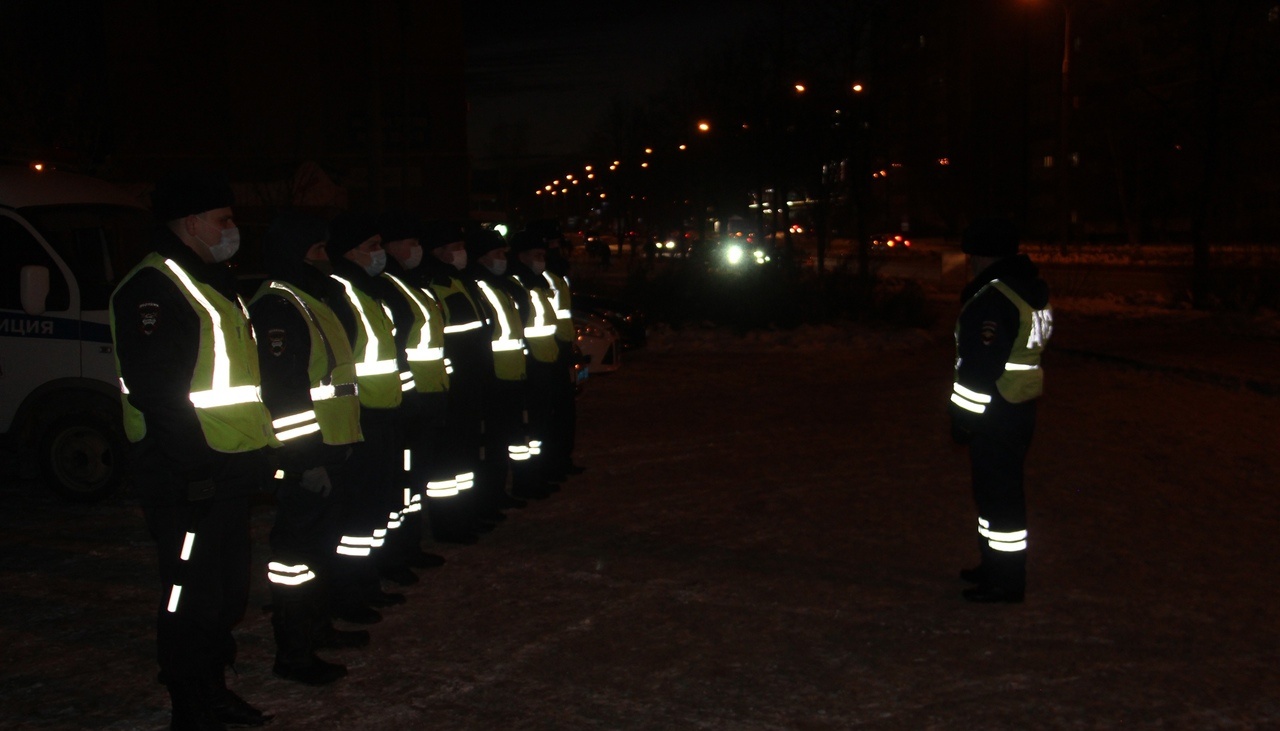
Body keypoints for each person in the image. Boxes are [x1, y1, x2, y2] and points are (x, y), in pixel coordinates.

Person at [110, 169, 275, 729]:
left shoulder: (206, 278)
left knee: (224, 595)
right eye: (223, 219)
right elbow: (159, 392)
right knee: (189, 596)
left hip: (223, 469)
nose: (232, 229)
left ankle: (211, 688)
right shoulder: (153, 286)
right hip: (185, 475)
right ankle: (191, 703)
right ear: (191, 222)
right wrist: (194, 470)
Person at [249, 211, 368, 686]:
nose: (326, 257)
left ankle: (316, 629)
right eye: (318, 249)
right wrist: (306, 462)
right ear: (295, 252)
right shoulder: (278, 305)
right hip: (307, 457)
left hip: (331, 448)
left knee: (318, 551)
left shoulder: (308, 297)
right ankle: (293, 652)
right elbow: (284, 395)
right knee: (295, 559)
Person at [949, 218, 1053, 604]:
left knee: (999, 497)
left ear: (981, 255)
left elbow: (978, 369)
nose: (969, 262)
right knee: (995, 493)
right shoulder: (1027, 289)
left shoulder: (994, 299)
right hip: (1019, 405)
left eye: (972, 254)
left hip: (997, 411)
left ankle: (1005, 580)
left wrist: (963, 419)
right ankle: (994, 566)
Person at [324, 212, 407, 621]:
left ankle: (366, 582)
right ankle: (347, 591)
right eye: (371, 246)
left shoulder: (369, 291)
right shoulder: (340, 293)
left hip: (382, 413)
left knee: (375, 509)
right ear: (348, 251)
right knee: (356, 513)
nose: (380, 253)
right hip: (359, 419)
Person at [375, 210, 451, 573]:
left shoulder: (410, 281)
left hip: (423, 399)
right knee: (401, 486)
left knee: (414, 481)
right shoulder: (387, 285)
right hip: (405, 403)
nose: (417, 248)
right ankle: (396, 556)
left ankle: (409, 548)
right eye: (411, 242)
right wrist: (411, 399)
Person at [410, 220, 494, 543]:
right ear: (438, 252)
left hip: (470, 385)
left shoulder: (459, 281)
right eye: (454, 248)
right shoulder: (432, 285)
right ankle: (449, 526)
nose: (461, 253)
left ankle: (466, 517)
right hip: (451, 388)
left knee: (467, 459)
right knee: (447, 465)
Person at [463, 228, 544, 505]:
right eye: (497, 254)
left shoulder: (502, 285)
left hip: (513, 373)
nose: (503, 259)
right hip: (494, 377)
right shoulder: (479, 286)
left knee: (511, 437)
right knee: (493, 442)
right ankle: (491, 495)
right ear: (482, 257)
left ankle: (505, 490)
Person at [505, 230, 564, 495]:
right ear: (521, 256)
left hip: (545, 361)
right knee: (526, 431)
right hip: (529, 365)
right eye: (537, 255)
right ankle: (524, 482)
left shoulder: (537, 281)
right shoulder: (517, 283)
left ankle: (537, 476)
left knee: (540, 427)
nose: (543, 259)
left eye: (544, 255)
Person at [526, 219, 584, 480]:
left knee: (564, 412)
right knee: (550, 415)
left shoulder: (557, 275)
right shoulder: (542, 278)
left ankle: (560, 460)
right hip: (546, 355)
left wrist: (570, 345)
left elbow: (563, 316)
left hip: (559, 352)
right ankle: (550, 464)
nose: (553, 250)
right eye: (548, 246)